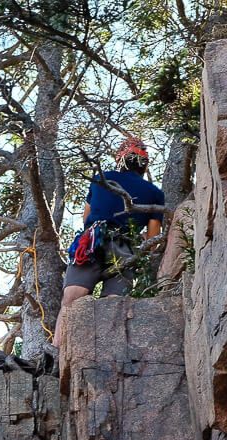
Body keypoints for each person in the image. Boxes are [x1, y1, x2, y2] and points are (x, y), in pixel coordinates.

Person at [52, 137, 165, 349]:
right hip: (125, 247)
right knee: (113, 302)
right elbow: (152, 239)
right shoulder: (155, 193)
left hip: (92, 241)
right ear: (144, 164)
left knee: (72, 298)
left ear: (120, 159)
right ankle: (106, 353)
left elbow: (87, 218)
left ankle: (57, 351)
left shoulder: (100, 179)